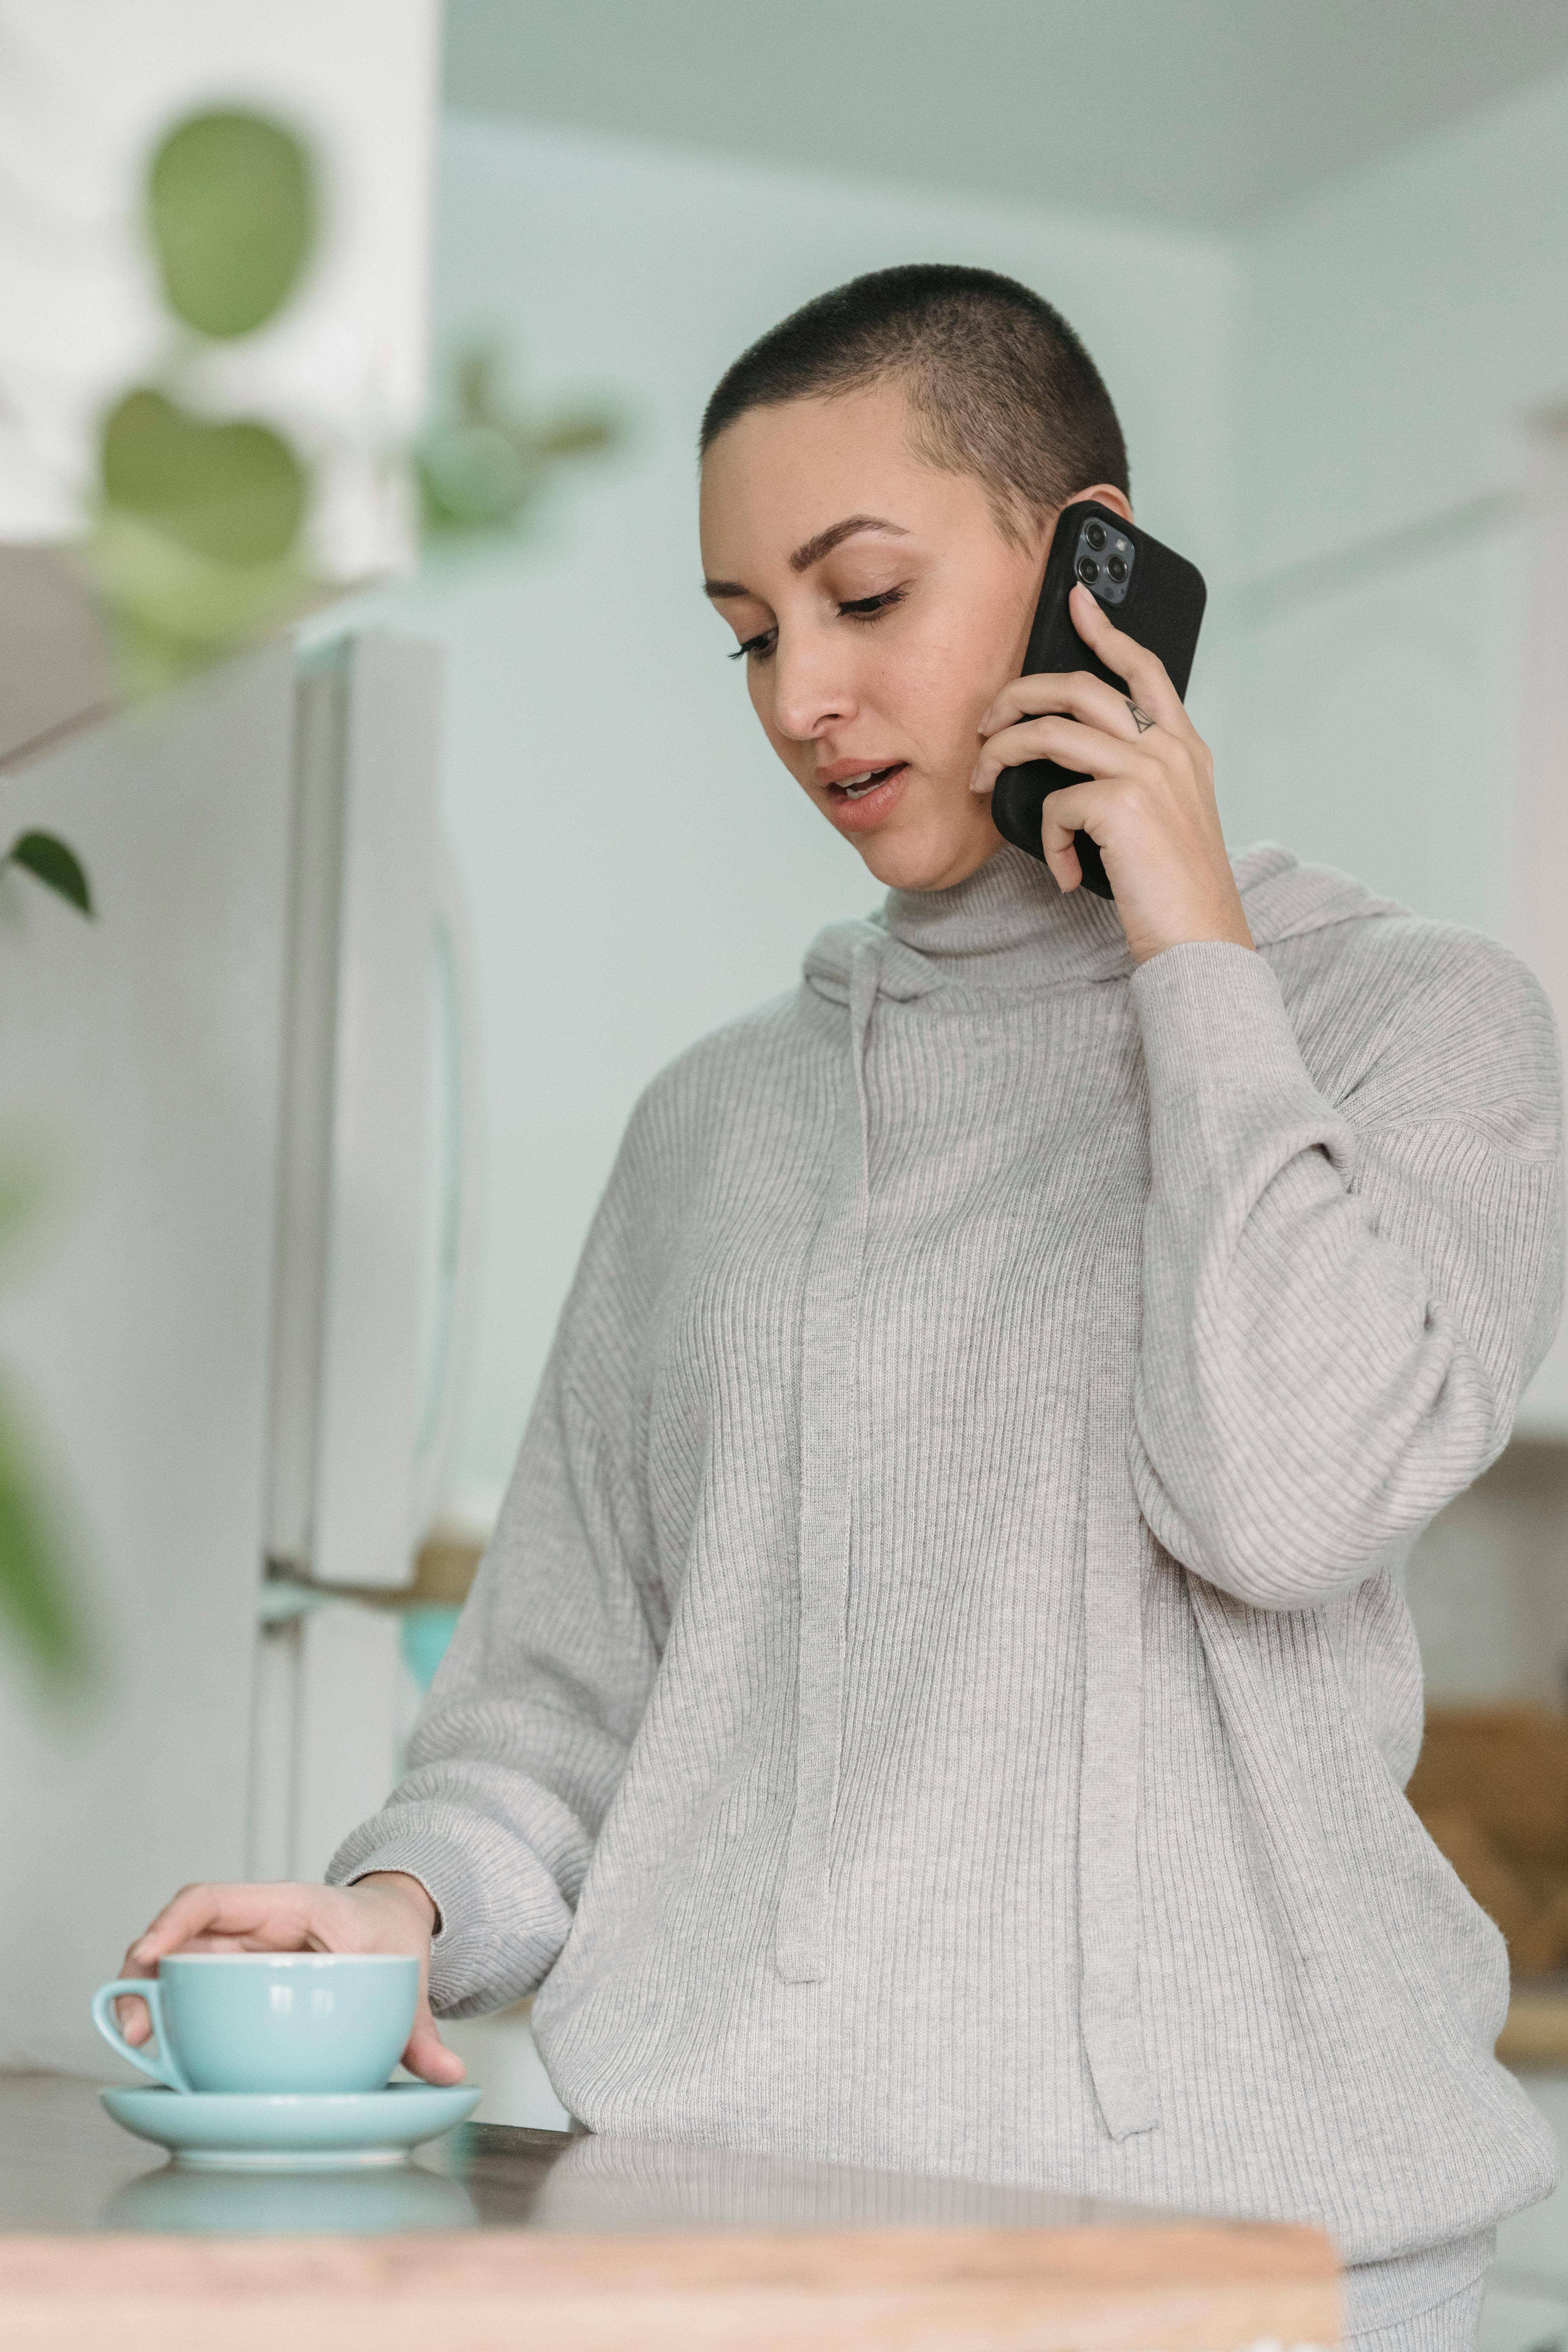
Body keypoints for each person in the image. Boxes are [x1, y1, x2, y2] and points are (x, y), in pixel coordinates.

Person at [122, 266, 1561, 2349]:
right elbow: (553, 1710)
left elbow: (1287, 1494)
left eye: (862, 597)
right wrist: (390, 1916)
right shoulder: (714, 1125)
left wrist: (1189, 942)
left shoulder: (1409, 1026)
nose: (803, 697)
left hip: (1256, 2284)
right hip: (725, 2260)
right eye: (747, 634)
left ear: (1095, 566)